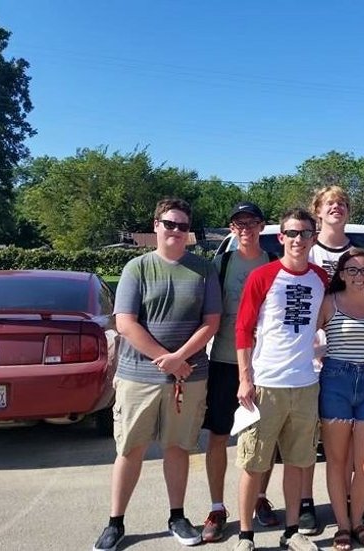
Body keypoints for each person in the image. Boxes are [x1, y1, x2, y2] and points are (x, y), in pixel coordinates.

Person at [93, 198, 222, 551]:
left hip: (189, 377)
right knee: (130, 449)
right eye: (169, 224)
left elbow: (211, 322)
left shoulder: (204, 270)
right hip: (138, 378)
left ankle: (177, 516)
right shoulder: (137, 268)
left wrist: (179, 359)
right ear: (156, 226)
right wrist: (166, 359)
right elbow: (125, 323)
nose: (176, 231)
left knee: (178, 448)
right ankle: (115, 522)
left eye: (183, 226)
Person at [233, 208, 329, 551]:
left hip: (305, 385)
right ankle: (245, 535)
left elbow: (325, 319)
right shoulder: (263, 276)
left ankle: (291, 531)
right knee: (253, 463)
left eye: (305, 233)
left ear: (313, 237)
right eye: (292, 233)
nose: (298, 239)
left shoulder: (320, 278)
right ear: (281, 237)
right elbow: (243, 329)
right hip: (266, 385)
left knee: (298, 463)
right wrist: (245, 378)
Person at [200, 202, 283, 543]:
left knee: (266, 437)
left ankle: (260, 497)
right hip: (224, 361)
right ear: (232, 228)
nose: (245, 228)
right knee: (219, 435)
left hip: (265, 364)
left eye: (251, 222)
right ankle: (217, 507)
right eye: (239, 223)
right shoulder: (220, 264)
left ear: (262, 226)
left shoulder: (275, 264)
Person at [295, 184, 356, 536]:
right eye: (330, 203)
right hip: (309, 356)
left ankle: (345, 500)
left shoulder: (357, 254)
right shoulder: (307, 250)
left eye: (342, 202)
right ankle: (305, 503)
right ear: (318, 211)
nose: (337, 207)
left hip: (347, 355)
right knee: (307, 436)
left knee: (344, 438)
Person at [317, 248, 364, 550]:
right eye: (353, 270)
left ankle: (358, 521)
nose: (359, 275)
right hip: (336, 381)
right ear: (342, 274)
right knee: (337, 460)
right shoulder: (329, 303)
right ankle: (343, 526)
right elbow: (307, 337)